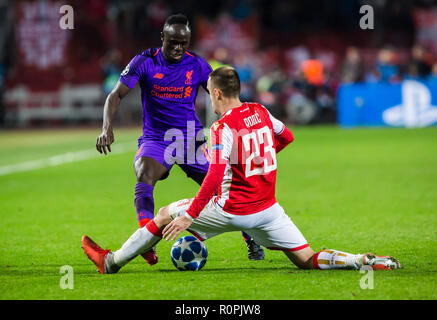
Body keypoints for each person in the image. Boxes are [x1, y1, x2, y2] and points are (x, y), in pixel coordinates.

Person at [84, 67, 402, 274]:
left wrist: (190, 215)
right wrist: (257, 159)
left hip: (232, 210)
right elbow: (286, 136)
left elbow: (212, 177)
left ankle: (110, 262)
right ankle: (364, 261)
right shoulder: (260, 111)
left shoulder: (223, 127)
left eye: (209, 91)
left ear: (218, 93)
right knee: (307, 259)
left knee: (167, 212)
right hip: (268, 211)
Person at [95, 14, 264, 265]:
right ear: (162, 37)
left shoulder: (197, 65)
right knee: (144, 172)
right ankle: (146, 240)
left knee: (224, 186)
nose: (177, 48)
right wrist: (106, 127)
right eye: (172, 42)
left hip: (191, 140)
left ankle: (251, 239)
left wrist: (241, 122)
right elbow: (115, 95)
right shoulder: (144, 61)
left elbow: (222, 96)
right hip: (157, 139)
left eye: (182, 43)